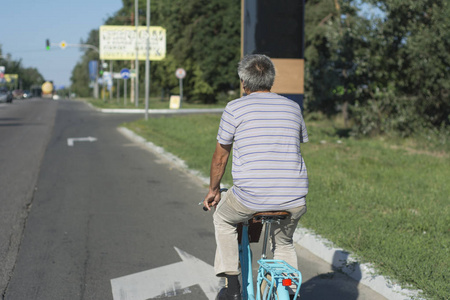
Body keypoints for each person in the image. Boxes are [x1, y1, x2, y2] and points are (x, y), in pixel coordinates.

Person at [203, 54, 309, 300]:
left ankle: (232, 288)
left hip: (250, 197)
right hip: (294, 199)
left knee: (223, 218)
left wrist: (214, 190)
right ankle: (288, 290)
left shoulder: (235, 108)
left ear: (244, 82)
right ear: (271, 80)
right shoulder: (293, 107)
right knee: (283, 243)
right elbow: (297, 143)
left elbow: (220, 157)